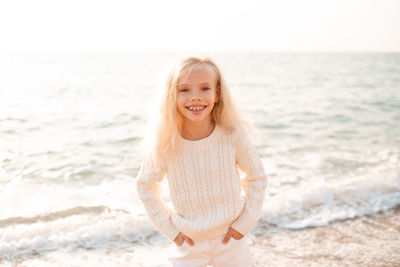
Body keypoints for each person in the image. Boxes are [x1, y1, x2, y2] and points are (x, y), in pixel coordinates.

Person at [136, 55, 267, 267]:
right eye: (184, 90)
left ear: (217, 94)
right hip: (188, 244)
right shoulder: (164, 142)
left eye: (204, 88)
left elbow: (256, 178)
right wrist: (172, 231)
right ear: (172, 95)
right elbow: (145, 186)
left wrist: (243, 224)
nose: (195, 97)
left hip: (231, 240)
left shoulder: (232, 134)